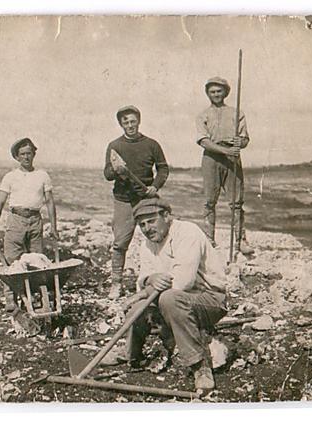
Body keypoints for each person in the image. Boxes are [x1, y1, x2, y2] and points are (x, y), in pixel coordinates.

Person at [122, 198, 228, 392]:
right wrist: (150, 279)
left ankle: (199, 365)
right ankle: (130, 354)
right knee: (136, 308)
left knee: (169, 298)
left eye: (151, 221)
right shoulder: (148, 244)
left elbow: (183, 282)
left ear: (166, 216)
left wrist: (146, 290)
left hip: (209, 298)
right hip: (172, 299)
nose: (147, 228)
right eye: (142, 224)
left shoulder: (187, 232)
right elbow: (143, 279)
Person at [104, 105, 169, 299]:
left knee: (157, 238)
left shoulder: (151, 144)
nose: (130, 125)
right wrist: (116, 169)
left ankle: (161, 280)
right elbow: (107, 174)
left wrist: (155, 186)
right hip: (123, 200)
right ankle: (116, 283)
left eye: (133, 121)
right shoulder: (115, 146)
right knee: (120, 242)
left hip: (146, 199)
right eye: (126, 122)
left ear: (138, 121)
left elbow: (163, 169)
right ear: (121, 124)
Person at [0, 138, 58, 312]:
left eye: (29, 153)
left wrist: (54, 227)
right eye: (22, 154)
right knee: (12, 260)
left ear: (34, 154)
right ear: (17, 157)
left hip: (35, 220)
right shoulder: (10, 177)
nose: (26, 157)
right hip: (16, 220)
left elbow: (50, 202)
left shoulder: (42, 175)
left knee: (36, 261)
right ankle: (11, 300)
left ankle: (34, 297)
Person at [196, 77, 253, 255]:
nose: (216, 94)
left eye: (219, 91)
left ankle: (240, 240)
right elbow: (203, 141)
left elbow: (245, 138)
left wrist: (240, 142)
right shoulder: (203, 115)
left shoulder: (237, 113)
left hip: (232, 158)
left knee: (236, 202)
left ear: (225, 92)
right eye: (212, 91)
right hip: (211, 157)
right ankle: (209, 240)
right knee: (209, 201)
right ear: (208, 94)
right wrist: (224, 151)